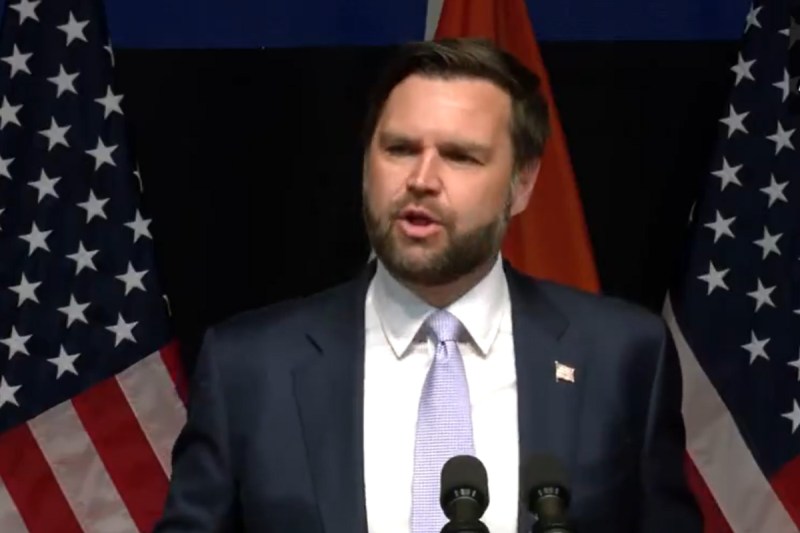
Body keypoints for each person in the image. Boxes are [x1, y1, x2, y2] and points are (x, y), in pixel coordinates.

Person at [154, 37, 703, 532]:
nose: (421, 180)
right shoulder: (249, 367)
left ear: (522, 183)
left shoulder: (622, 356)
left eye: (460, 157)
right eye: (399, 149)